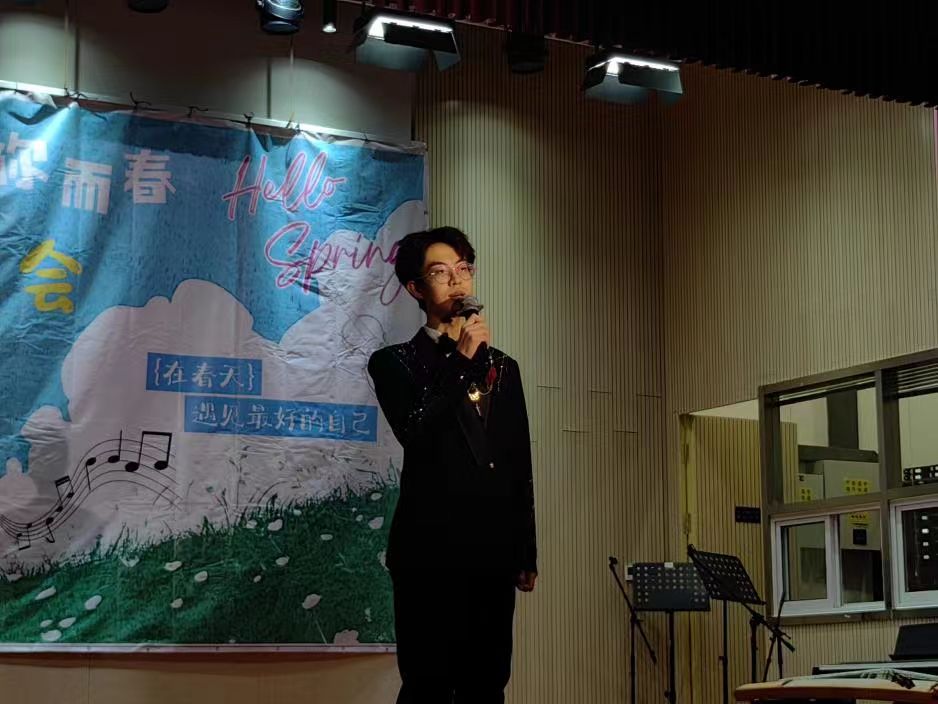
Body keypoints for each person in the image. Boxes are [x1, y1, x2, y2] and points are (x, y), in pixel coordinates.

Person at [368, 226, 538, 704]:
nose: (457, 280)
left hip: (491, 552)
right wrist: (461, 361)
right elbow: (415, 430)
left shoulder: (503, 367)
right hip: (428, 554)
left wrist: (525, 549)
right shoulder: (393, 362)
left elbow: (517, 459)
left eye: (464, 268)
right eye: (441, 272)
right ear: (416, 289)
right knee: (428, 685)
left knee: (487, 684)